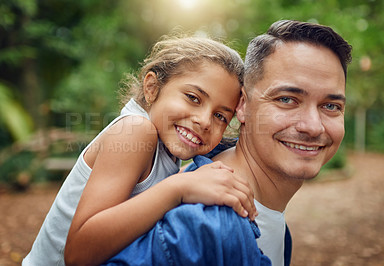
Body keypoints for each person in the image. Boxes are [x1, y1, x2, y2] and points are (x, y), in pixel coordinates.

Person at [103, 19, 352, 266]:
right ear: (242, 106)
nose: (312, 126)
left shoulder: (271, 219)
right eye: (287, 99)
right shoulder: (206, 227)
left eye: (331, 106)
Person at [23, 36, 258, 266]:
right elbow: (78, 254)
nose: (205, 121)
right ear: (152, 87)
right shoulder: (135, 130)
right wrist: (179, 188)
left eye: (220, 116)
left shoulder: (166, 147)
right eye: (193, 98)